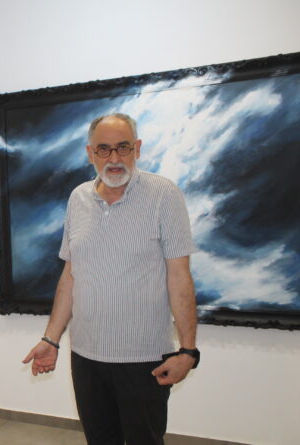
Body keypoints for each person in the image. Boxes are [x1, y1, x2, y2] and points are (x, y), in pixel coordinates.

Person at [22, 113, 199, 444]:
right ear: (90, 153)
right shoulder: (78, 198)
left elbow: (179, 278)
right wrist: (51, 339)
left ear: (138, 149)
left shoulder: (164, 195)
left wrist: (188, 350)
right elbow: (71, 276)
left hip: (145, 359)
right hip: (86, 356)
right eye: (103, 149)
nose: (114, 158)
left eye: (123, 147)